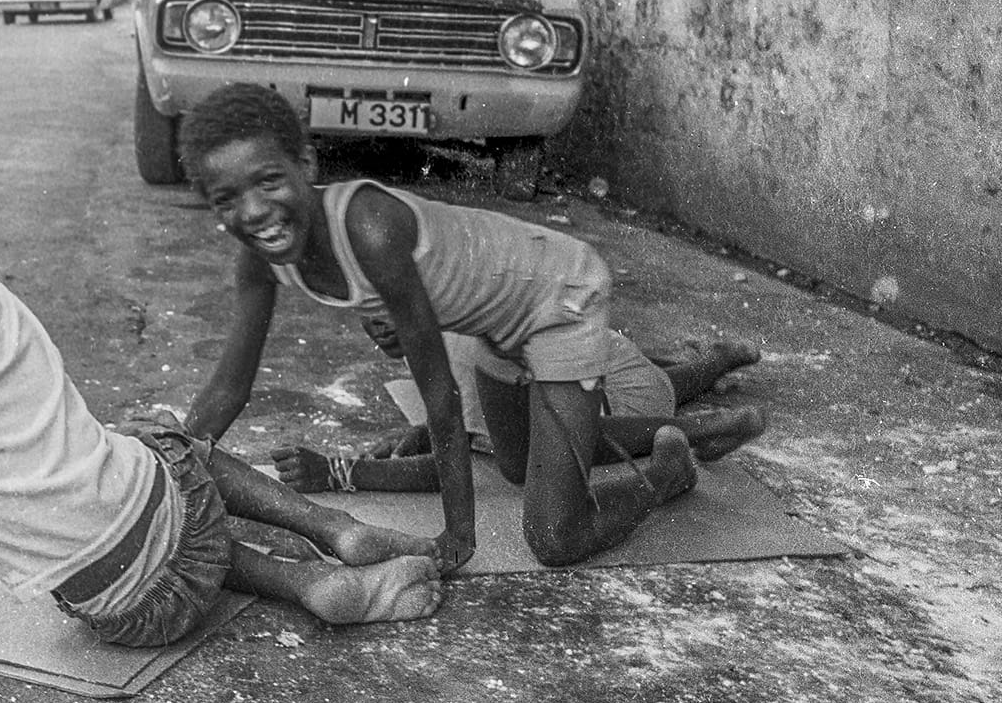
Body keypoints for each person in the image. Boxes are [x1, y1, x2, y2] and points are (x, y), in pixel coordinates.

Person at [0, 134, 442, 703]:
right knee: (148, 441)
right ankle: (329, 531)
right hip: (182, 538)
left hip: (128, 615)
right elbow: (12, 442)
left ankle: (307, 584)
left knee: (143, 488)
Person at [177, 83, 724, 573]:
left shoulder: (369, 226)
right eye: (227, 199)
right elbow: (228, 389)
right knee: (514, 466)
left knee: (556, 537)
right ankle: (636, 424)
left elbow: (438, 392)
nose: (251, 212)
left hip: (558, 296)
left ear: (307, 164)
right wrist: (167, 464)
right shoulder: (259, 261)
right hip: (492, 327)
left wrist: (458, 531)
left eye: (269, 181)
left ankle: (669, 471)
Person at [270, 323, 767, 494]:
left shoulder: (460, 344)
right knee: (661, 383)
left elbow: (451, 467)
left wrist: (341, 473)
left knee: (540, 454)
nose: (375, 328)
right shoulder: (446, 320)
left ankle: (700, 428)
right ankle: (718, 360)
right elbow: (453, 425)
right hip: (611, 362)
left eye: (383, 311)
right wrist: (427, 428)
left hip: (614, 382)